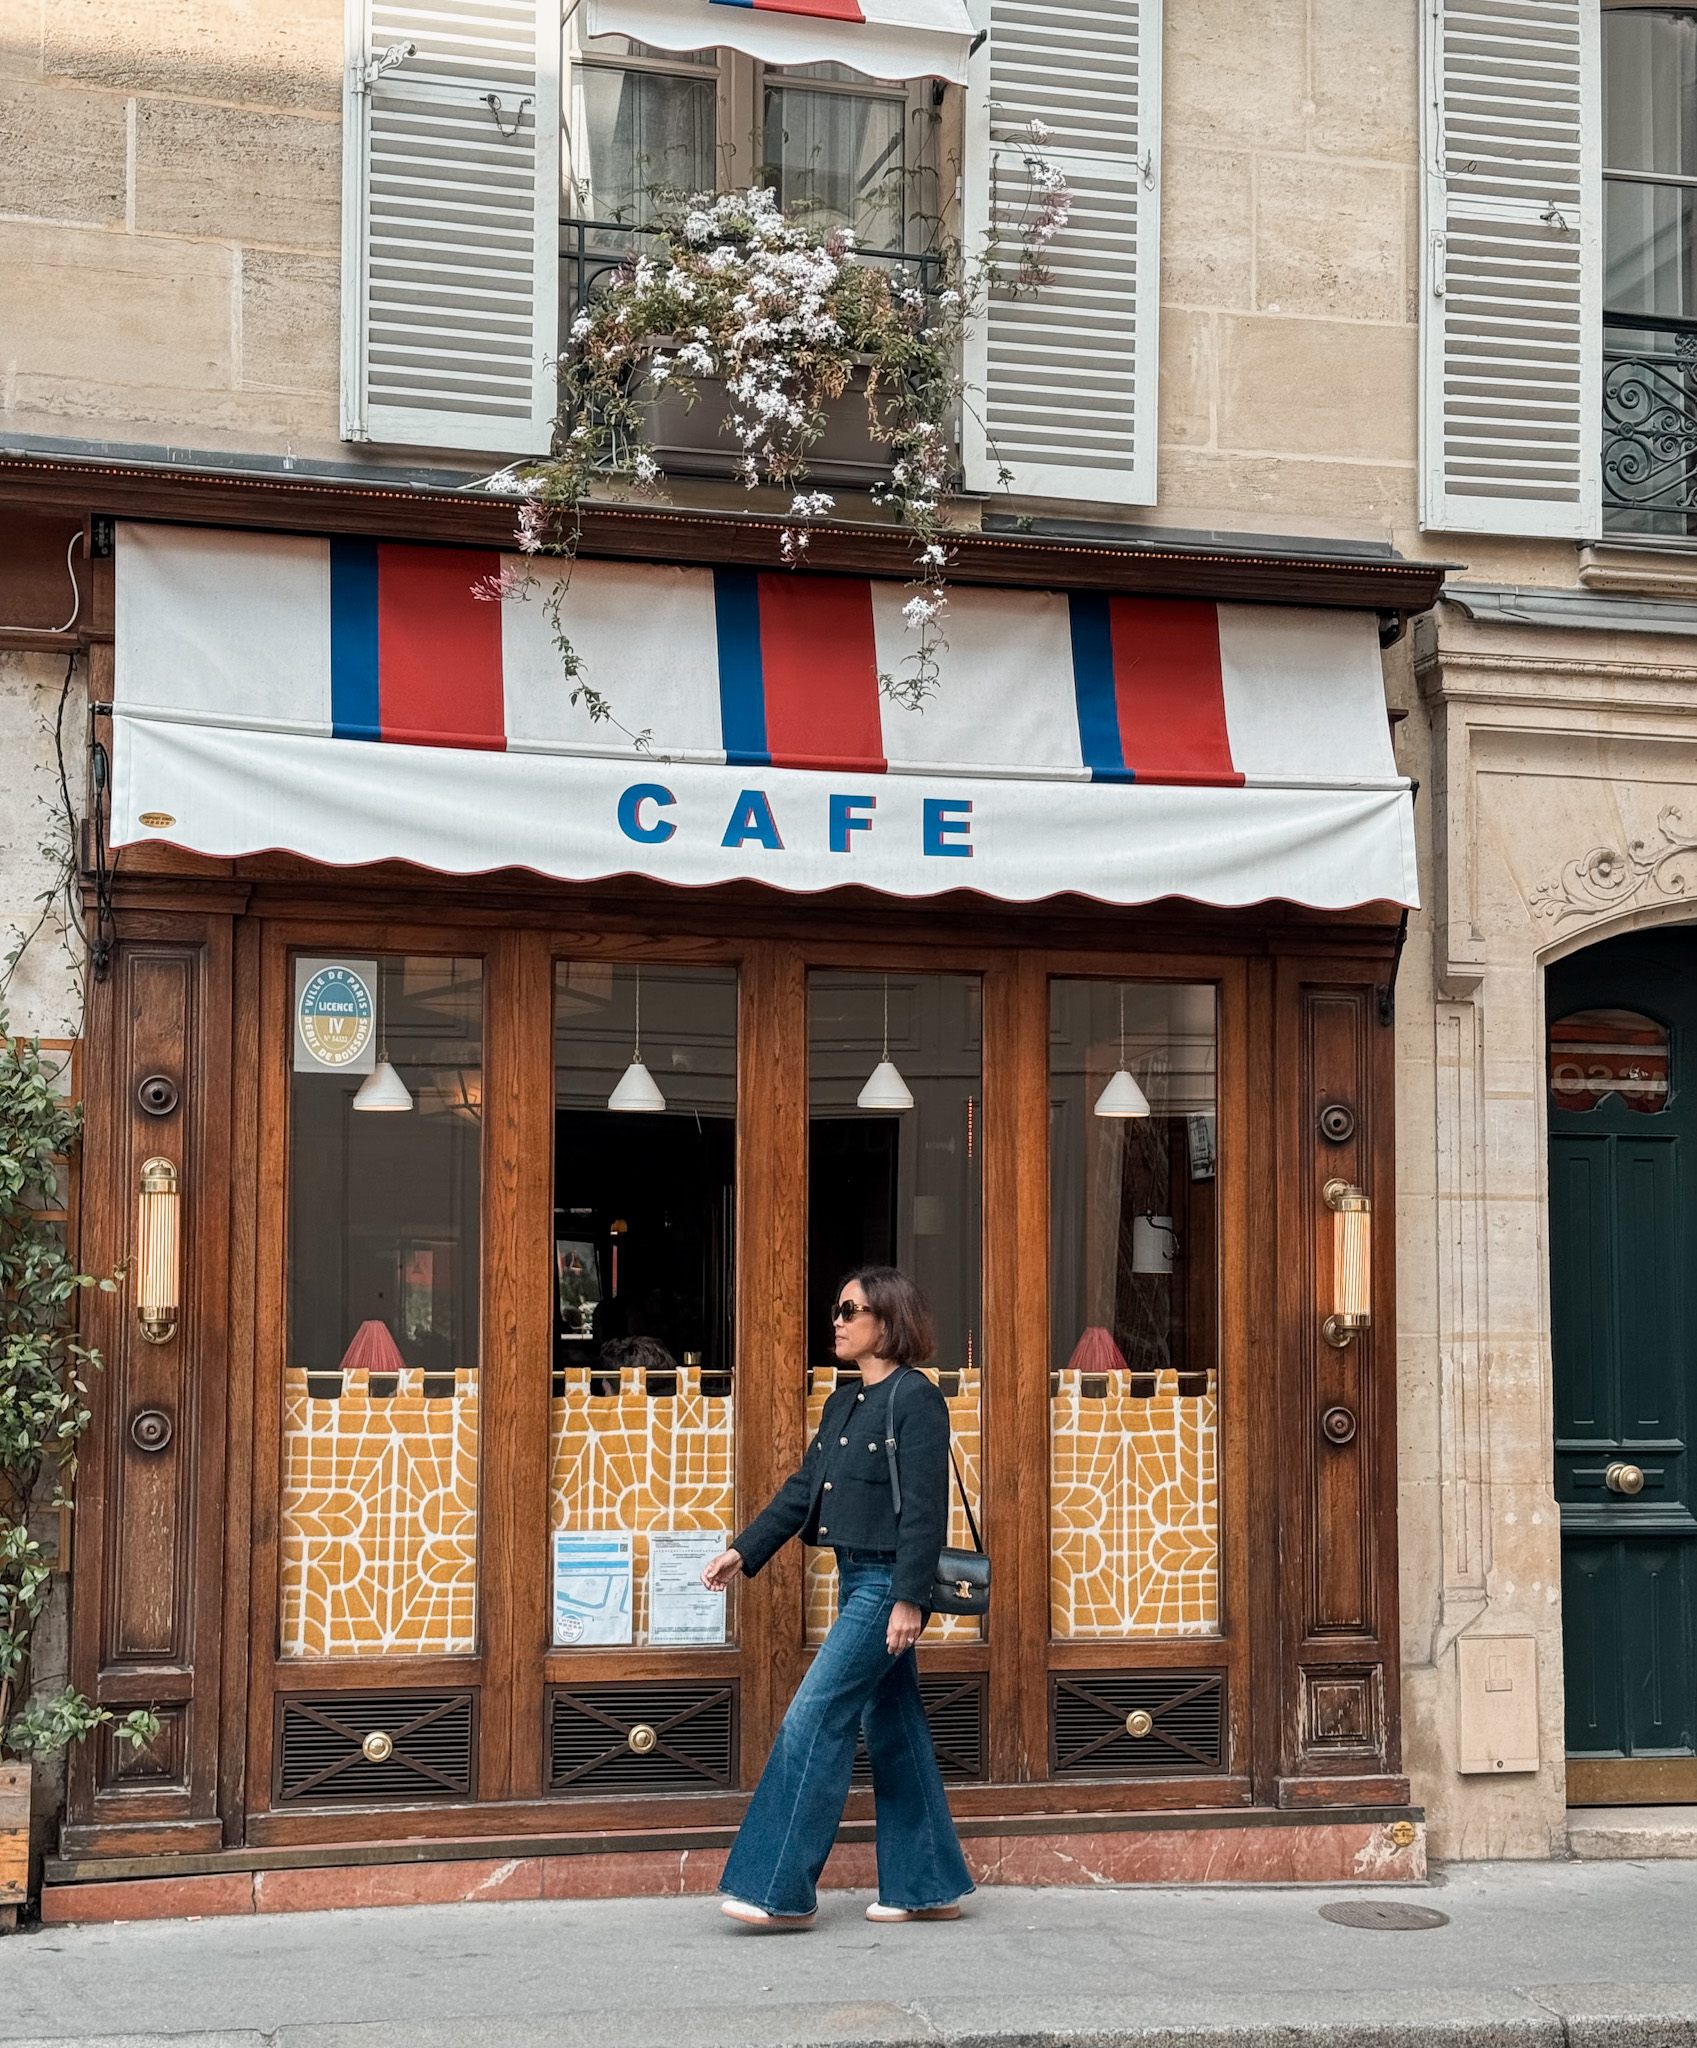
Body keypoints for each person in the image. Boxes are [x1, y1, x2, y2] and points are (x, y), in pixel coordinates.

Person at [700, 1265, 974, 1930]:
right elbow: (804, 1488)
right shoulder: (843, 1403)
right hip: (857, 1576)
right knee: (894, 1728)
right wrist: (743, 1550)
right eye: (838, 1308)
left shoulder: (916, 1399)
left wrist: (910, 1599)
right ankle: (925, 1884)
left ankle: (778, 1892)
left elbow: (924, 1513)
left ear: (888, 1321)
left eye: (851, 1310)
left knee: (813, 1717)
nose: (838, 1320)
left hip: (887, 1584)